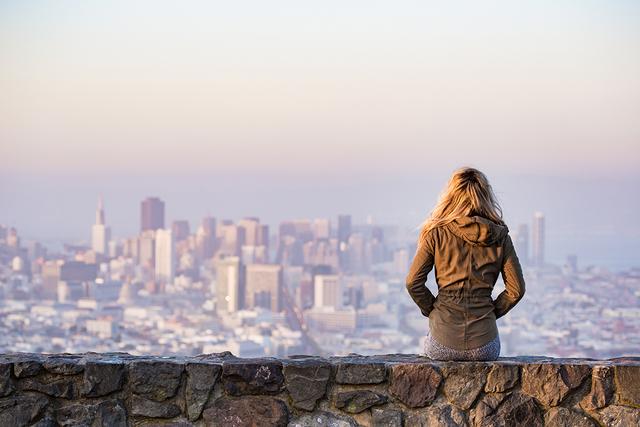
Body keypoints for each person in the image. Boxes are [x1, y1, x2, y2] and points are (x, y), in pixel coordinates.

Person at [405, 166, 526, 361]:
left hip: (442, 342)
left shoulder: (436, 233)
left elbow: (413, 282)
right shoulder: (501, 237)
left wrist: (434, 310)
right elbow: (516, 290)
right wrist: (490, 312)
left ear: (451, 196)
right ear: (486, 196)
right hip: (485, 346)